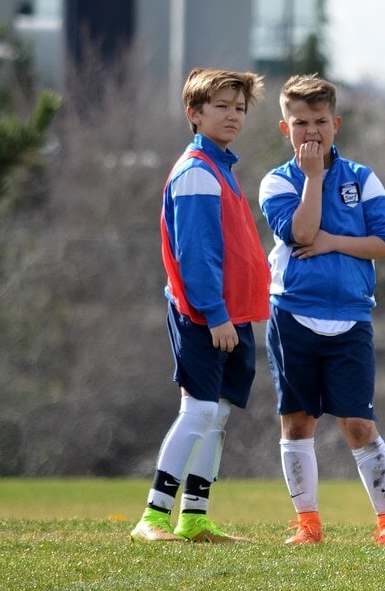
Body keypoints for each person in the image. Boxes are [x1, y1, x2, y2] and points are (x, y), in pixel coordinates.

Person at [258, 74, 385, 547]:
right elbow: (301, 233)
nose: (312, 131)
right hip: (292, 315)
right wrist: (314, 180)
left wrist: (334, 243)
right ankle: (307, 523)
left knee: (359, 425)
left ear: (336, 123)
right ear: (286, 129)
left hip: (351, 317)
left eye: (320, 121)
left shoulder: (363, 180)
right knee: (298, 422)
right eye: (300, 122)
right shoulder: (276, 182)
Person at [130, 68, 271, 544]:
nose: (233, 115)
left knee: (218, 413)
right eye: (221, 106)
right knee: (198, 411)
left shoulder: (221, 169)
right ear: (194, 114)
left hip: (232, 315)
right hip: (207, 316)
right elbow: (196, 254)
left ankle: (194, 518)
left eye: (239, 108)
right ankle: (152, 517)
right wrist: (215, 314)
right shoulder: (196, 174)